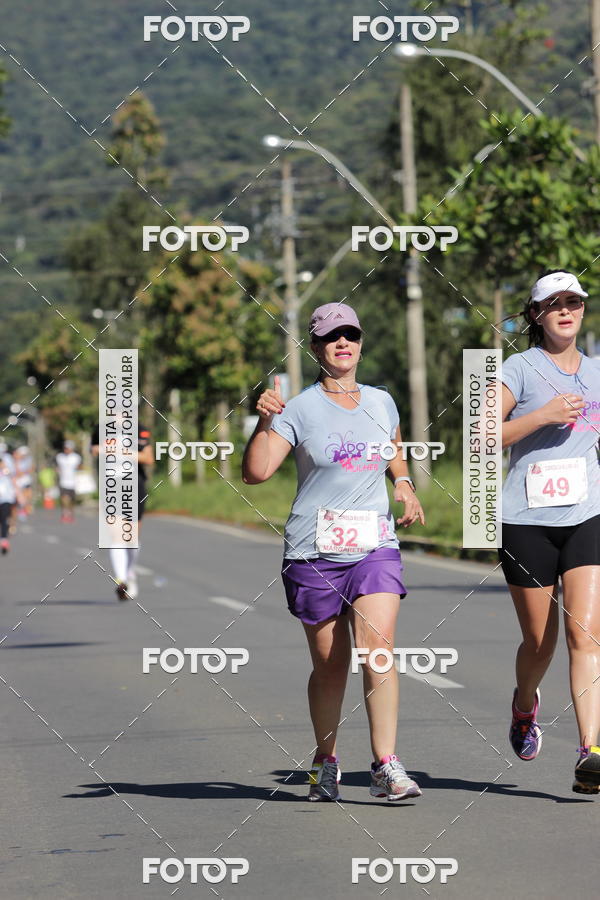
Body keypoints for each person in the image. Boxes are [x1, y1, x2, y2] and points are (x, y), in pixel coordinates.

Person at [242, 302, 425, 803]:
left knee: (378, 650)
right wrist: (263, 422)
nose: (342, 343)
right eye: (331, 337)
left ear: (361, 344)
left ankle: (386, 764)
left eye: (350, 335)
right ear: (316, 347)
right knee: (330, 666)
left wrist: (404, 484)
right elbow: (255, 473)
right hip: (313, 550)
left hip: (374, 546)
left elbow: (391, 446)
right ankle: (325, 760)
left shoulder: (383, 401)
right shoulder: (297, 408)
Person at [499, 269, 600, 794]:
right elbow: (484, 436)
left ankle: (592, 753)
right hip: (526, 521)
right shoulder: (519, 368)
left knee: (587, 637)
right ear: (536, 314)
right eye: (554, 302)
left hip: (587, 516)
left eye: (575, 301)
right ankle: (524, 705)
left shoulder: (599, 371)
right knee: (541, 642)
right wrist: (542, 415)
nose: (566, 309)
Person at [91, 422, 153, 601]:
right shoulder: (101, 428)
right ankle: (121, 580)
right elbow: (94, 449)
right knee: (116, 535)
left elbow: (148, 458)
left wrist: (120, 451)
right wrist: (99, 449)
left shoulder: (139, 429)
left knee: (132, 538)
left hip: (134, 484)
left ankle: (130, 572)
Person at [55, 440, 81, 523]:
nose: (66, 450)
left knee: (71, 500)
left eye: (68, 448)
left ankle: (70, 513)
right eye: (65, 448)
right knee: (64, 498)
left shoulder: (76, 457)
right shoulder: (60, 456)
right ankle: (65, 514)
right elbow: (57, 467)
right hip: (63, 481)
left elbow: (79, 467)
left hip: (73, 482)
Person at [0, 451, 19, 553]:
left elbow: (14, 480)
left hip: (5, 499)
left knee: (4, 519)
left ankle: (4, 540)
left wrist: (18, 494)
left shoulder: (7, 472)